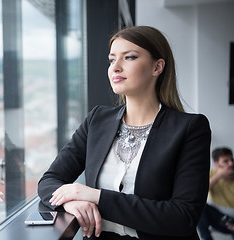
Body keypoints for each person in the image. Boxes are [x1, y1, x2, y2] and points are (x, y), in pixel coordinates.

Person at [37, 25, 211, 240]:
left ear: (157, 67)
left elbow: (182, 216)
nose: (115, 67)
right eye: (112, 60)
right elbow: (50, 180)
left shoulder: (190, 128)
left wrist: (96, 197)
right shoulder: (97, 120)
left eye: (129, 57)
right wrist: (73, 201)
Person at [197, 147, 234, 240]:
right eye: (226, 161)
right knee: (200, 206)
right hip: (220, 218)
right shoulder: (210, 174)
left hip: (232, 221)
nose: (231, 163)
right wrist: (219, 175)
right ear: (216, 164)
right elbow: (199, 192)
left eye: (231, 160)